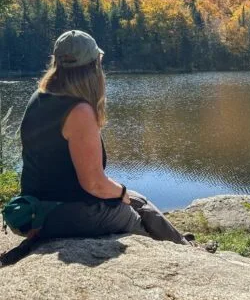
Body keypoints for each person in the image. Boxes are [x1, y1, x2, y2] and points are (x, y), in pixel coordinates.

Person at [19, 30, 188, 244]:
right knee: (131, 215)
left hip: (38, 208)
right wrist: (121, 192)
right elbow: (94, 184)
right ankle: (175, 251)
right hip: (62, 213)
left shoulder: (40, 97)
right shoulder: (78, 111)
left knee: (138, 200)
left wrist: (124, 193)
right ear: (92, 68)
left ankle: (185, 244)